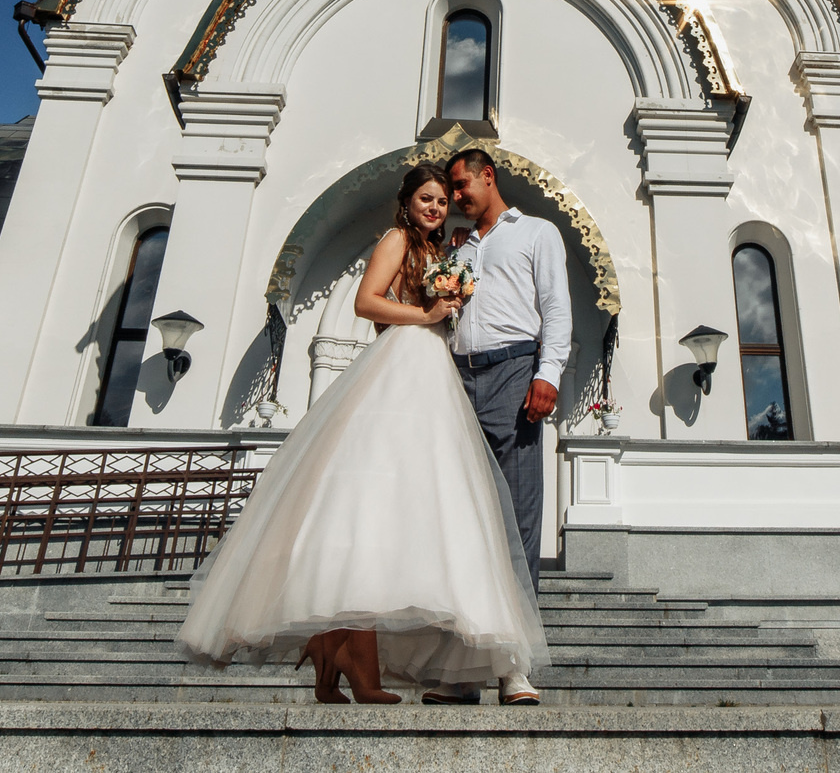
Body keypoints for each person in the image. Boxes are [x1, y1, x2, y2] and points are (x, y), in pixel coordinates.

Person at [175, 164, 549, 705]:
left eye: (442, 201)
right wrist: (426, 313)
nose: (436, 208)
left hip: (435, 369)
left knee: (420, 498)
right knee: (374, 494)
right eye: (426, 198)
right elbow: (366, 302)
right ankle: (347, 652)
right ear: (407, 201)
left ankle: (343, 655)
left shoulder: (441, 250)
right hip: (403, 363)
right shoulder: (396, 239)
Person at [427, 145, 570, 705]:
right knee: (462, 521)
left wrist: (548, 373)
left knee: (517, 520)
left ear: (488, 176)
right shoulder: (458, 248)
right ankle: (463, 668)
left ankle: (513, 666)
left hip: (514, 372)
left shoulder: (537, 233)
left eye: (460, 186)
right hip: (458, 377)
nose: (454, 197)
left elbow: (555, 308)